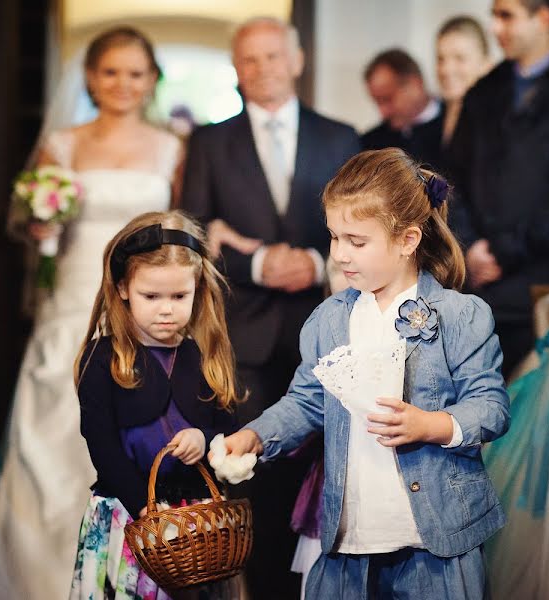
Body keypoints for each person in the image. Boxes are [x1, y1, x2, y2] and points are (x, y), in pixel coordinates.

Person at [219, 148, 510, 598]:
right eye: (334, 238)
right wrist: (256, 436)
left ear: (408, 239)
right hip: (351, 536)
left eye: (357, 241)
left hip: (434, 541)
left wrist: (429, 424)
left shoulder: (461, 315)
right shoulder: (328, 321)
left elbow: (490, 407)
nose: (339, 255)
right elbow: (306, 402)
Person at [0, 26, 183, 600]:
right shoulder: (64, 144)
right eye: (110, 72)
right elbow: (30, 225)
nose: (122, 84)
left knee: (132, 422)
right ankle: (38, 573)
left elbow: (177, 232)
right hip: (74, 298)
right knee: (56, 427)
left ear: (151, 80)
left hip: (140, 305)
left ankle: (126, 571)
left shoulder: (174, 146)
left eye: (135, 73)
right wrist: (40, 226)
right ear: (90, 78)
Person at [180, 16, 360, 598]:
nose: (262, 70)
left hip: (326, 325)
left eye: (273, 57)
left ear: (297, 60)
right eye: (249, 60)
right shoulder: (209, 142)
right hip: (245, 334)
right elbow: (192, 232)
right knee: (249, 473)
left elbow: (364, 225)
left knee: (329, 470)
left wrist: (315, 261)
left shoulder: (341, 137)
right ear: (236, 68)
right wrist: (256, 265)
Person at [70, 211, 241, 599]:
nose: (166, 309)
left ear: (197, 288)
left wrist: (206, 438)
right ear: (123, 288)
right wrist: (142, 506)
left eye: (179, 296)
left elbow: (228, 427)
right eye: (152, 296)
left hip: (195, 522)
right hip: (131, 515)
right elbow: (102, 445)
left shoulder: (204, 356)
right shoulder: (103, 359)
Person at [442, 0, 549, 375]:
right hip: (476, 279)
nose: (495, 27)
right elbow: (449, 177)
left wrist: (504, 252)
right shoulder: (484, 92)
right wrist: (469, 248)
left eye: (507, 16)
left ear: (544, 18)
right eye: (495, 16)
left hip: (546, 284)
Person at [361, 48, 443, 165]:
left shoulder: (460, 128)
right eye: (377, 102)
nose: (383, 112)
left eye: (387, 99)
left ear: (415, 84)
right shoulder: (371, 146)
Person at [434, 16, 491, 148]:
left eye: (460, 58)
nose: (446, 70)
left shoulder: (499, 125)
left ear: (486, 65)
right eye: (440, 59)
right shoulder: (432, 122)